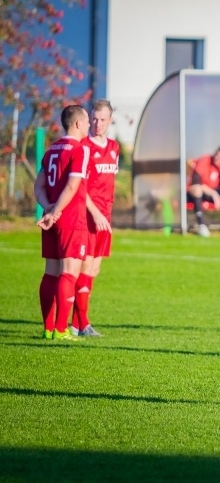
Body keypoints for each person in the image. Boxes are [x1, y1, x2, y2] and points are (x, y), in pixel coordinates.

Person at [34, 105, 98, 340]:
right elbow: (73, 186)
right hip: (70, 218)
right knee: (69, 273)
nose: (90, 126)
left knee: (50, 272)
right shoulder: (80, 150)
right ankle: (61, 329)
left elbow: (38, 187)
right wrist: (57, 211)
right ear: (79, 124)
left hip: (51, 217)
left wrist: (48, 208)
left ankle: (48, 328)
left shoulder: (51, 150)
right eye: (87, 122)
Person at [67, 99, 119, 337]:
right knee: (85, 268)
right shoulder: (84, 147)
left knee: (94, 269)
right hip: (88, 216)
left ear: (110, 120)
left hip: (104, 218)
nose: (97, 124)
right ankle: (81, 323)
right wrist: (95, 212)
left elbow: (108, 184)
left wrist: (106, 214)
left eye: (102, 120)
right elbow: (80, 186)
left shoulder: (114, 147)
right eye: (94, 119)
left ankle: (79, 323)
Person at [186, 145, 220, 237]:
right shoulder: (205, 159)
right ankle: (201, 225)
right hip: (200, 191)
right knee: (196, 189)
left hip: (215, 191)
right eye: (217, 154)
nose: (217, 158)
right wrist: (214, 194)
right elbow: (196, 182)